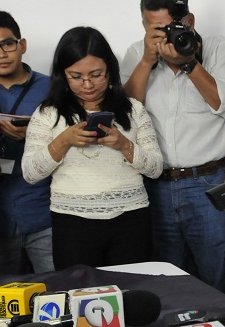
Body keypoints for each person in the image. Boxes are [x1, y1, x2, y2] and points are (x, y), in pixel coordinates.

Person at [121, 0, 225, 292]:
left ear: (190, 21)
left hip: (209, 182)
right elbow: (126, 116)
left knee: (217, 276)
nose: (166, 36)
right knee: (165, 280)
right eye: (156, 29)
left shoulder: (217, 48)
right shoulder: (136, 54)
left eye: (172, 27)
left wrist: (189, 62)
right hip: (156, 185)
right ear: (144, 26)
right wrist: (147, 62)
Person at [22, 26, 162, 270]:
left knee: (131, 288)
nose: (87, 84)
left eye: (96, 75)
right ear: (62, 75)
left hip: (131, 218)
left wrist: (124, 145)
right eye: (76, 76)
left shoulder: (133, 110)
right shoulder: (48, 113)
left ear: (110, 70)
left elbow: (155, 168)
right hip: (72, 222)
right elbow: (31, 173)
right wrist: (63, 140)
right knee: (79, 290)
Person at [0, 9, 53, 277]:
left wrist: (36, 134)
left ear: (22, 44)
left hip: (46, 213)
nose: (0, 54)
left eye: (7, 44)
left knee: (61, 291)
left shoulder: (53, 88)